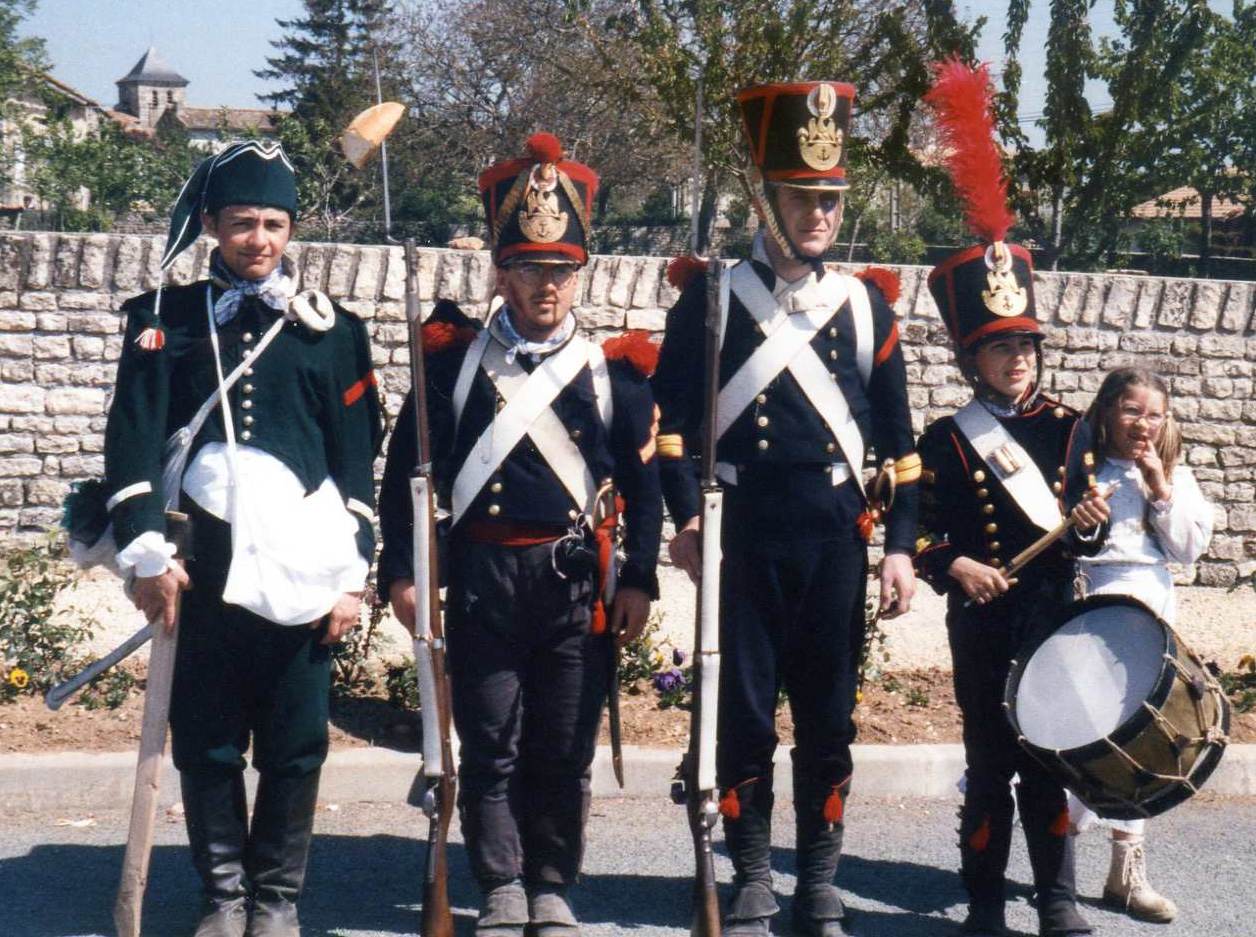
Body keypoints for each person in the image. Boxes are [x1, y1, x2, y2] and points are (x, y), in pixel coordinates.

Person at [378, 132, 663, 937]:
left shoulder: (617, 374)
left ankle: (550, 882)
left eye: (561, 270)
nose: (547, 285)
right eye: (531, 268)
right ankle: (499, 882)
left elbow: (642, 492)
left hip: (573, 585)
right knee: (492, 739)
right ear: (500, 273)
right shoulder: (452, 364)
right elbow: (407, 474)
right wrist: (401, 571)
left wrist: (638, 576)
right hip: (481, 580)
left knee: (561, 744)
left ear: (580, 275)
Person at [652, 81, 919, 937]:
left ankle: (820, 881)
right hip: (743, 537)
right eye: (804, 198)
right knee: (742, 715)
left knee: (830, 716)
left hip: (836, 540)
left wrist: (901, 548)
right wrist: (685, 517)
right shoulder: (715, 296)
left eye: (830, 201)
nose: (819, 216)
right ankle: (756, 875)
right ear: (768, 199)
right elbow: (668, 429)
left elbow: (902, 447)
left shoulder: (865, 304)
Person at [102, 141, 383, 937]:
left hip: (303, 567)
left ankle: (277, 899)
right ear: (213, 227)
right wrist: (146, 550)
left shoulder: (333, 333)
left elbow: (356, 464)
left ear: (291, 229)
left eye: (272, 223)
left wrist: (352, 574)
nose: (257, 240)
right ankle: (222, 896)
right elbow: (132, 439)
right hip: (200, 566)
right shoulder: (166, 321)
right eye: (239, 223)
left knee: (295, 744)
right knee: (210, 741)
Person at [913, 61, 1110, 937]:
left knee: (1052, 762)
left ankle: (1058, 901)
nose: (1019, 359)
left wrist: (1093, 528)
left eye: (1026, 344)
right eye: (1001, 348)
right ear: (971, 359)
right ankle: (987, 904)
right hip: (981, 620)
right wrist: (953, 563)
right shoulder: (944, 438)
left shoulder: (1073, 431)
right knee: (989, 763)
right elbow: (914, 530)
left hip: (1049, 615)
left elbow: (1091, 538)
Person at [1066, 365, 1213, 923]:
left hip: (1148, 608)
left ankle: (1126, 875)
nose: (1142, 425)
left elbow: (1187, 550)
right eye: (1131, 411)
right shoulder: (1078, 468)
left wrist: (1160, 489)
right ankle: (1057, 855)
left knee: (1136, 735)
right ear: (1106, 412)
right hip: (1086, 604)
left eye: (1154, 414)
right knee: (1081, 730)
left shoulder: (1172, 474)